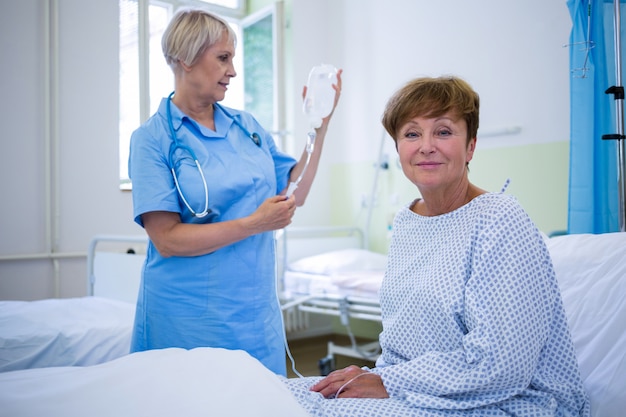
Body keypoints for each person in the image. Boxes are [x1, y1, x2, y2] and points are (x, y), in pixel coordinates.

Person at [283, 76, 590, 416]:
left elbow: (503, 365)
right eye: (412, 133)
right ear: (399, 147)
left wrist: (390, 384)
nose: (426, 145)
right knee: (286, 396)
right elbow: (402, 341)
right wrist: (374, 377)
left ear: (470, 146)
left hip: (509, 402)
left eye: (443, 131)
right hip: (418, 389)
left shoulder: (500, 220)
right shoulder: (406, 221)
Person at [128, 8, 342, 376]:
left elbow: (295, 190)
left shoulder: (247, 127)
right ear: (186, 59)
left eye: (233, 59)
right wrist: (254, 223)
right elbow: (167, 240)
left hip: (253, 315)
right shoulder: (152, 139)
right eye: (223, 58)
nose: (233, 71)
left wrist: (319, 126)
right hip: (187, 317)